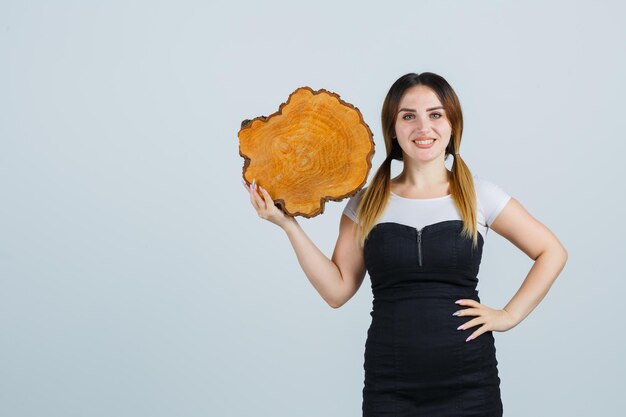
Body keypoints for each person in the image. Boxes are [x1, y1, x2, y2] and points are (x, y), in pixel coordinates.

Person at [242, 72, 568, 416]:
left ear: (452, 125)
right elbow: (336, 291)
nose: (423, 127)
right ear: (393, 129)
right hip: (390, 385)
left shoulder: (479, 195)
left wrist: (509, 315)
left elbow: (552, 252)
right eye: (408, 116)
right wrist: (288, 226)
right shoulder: (365, 203)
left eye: (435, 114)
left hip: (470, 384)